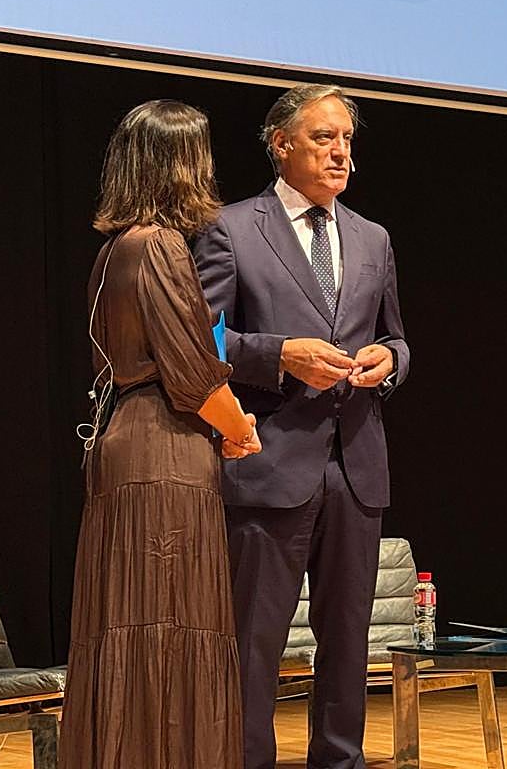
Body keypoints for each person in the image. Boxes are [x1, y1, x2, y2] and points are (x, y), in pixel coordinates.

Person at [191, 83, 410, 769]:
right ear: (280, 144)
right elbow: (198, 340)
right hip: (269, 464)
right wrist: (279, 354)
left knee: (348, 641)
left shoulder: (371, 236)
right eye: (323, 137)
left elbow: (398, 340)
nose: (340, 152)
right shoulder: (231, 228)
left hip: (357, 466)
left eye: (346, 138)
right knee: (253, 642)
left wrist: (389, 361)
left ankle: (339, 761)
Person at [59, 100, 261, 769]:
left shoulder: (114, 250)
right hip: (164, 454)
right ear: (181, 166)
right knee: (171, 634)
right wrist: (240, 431)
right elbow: (195, 378)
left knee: (126, 634)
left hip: (123, 445)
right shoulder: (163, 246)